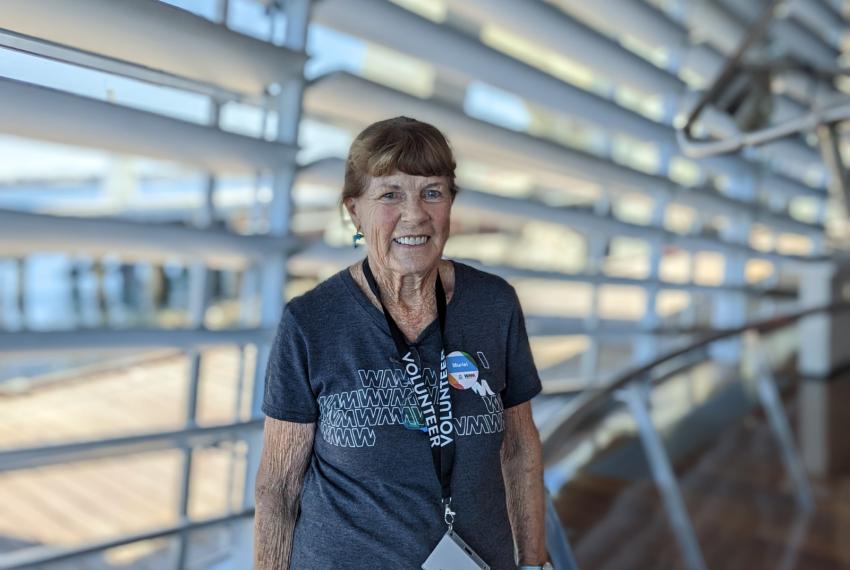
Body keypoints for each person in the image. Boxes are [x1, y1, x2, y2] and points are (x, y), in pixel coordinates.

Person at [254, 116, 550, 570]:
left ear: (451, 202)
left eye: (432, 191)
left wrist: (534, 563)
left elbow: (518, 447)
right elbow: (278, 484)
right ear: (354, 211)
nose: (414, 214)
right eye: (390, 194)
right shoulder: (311, 322)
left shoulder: (494, 305)